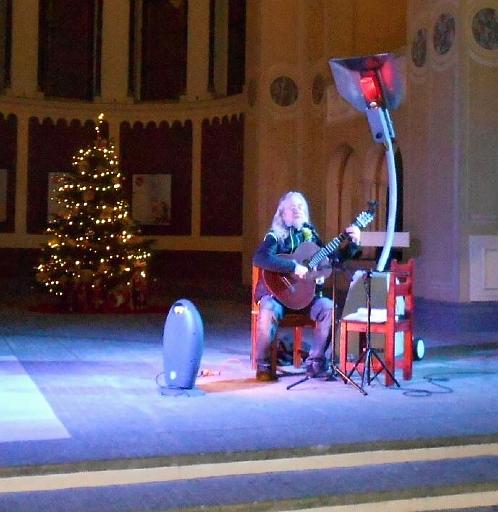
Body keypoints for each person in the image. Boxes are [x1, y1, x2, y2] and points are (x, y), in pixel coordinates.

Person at [252, 191, 361, 381]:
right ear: (282, 213)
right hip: (276, 296)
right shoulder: (275, 236)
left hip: (304, 298)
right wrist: (293, 267)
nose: (297, 210)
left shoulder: (311, 237)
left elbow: (332, 261)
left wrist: (353, 244)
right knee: (268, 309)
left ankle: (316, 363)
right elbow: (260, 258)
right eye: (292, 207)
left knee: (329, 308)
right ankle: (264, 366)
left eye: (301, 206)